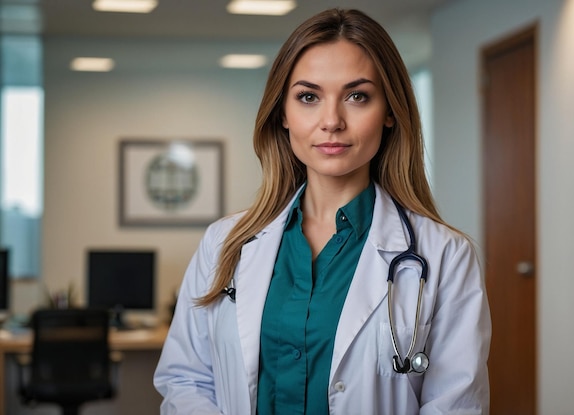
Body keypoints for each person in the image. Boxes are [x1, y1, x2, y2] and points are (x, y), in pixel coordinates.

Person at [154, 7, 491, 415]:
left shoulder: (445, 257)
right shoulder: (225, 243)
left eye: (357, 96)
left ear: (389, 112)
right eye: (308, 97)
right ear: (283, 112)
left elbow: (455, 407)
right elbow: (186, 379)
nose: (331, 121)